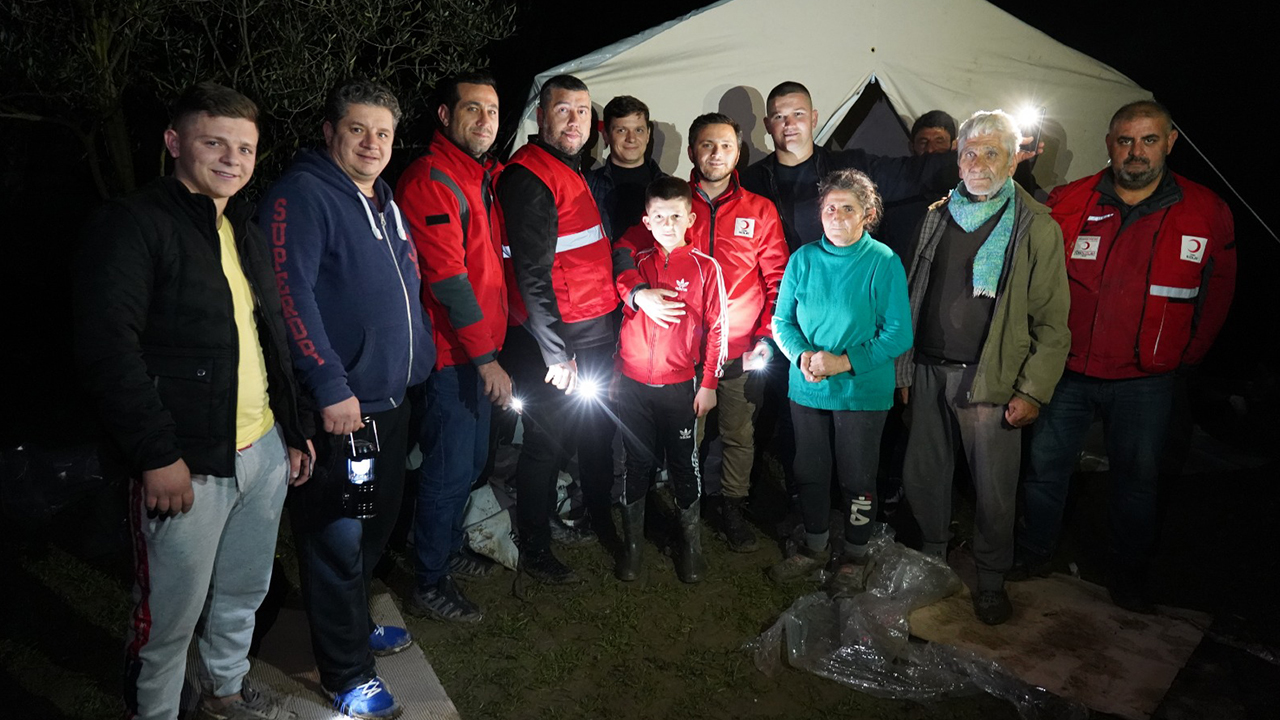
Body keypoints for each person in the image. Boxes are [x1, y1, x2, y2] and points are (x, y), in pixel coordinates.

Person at [75, 81, 314, 720]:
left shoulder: (240, 225)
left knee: (242, 592)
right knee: (167, 617)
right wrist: (156, 455)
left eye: (245, 148)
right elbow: (108, 349)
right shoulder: (135, 224)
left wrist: (288, 430)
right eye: (215, 143)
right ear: (175, 142)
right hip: (187, 462)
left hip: (258, 452)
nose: (233, 159)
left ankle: (223, 692)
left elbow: (267, 338)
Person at [1013, 100, 1236, 612]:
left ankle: (1128, 573)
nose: (1136, 152)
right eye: (1125, 140)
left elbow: (1217, 290)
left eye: (1149, 140)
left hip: (1147, 379)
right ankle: (1034, 553)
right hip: (1068, 372)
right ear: (1109, 143)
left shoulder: (1205, 210)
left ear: (1171, 141)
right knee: (1046, 469)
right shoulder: (1071, 201)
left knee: (1137, 480)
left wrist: (1189, 356)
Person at [260, 78, 434, 719]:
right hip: (343, 410)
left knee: (373, 526)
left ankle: (353, 628)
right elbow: (289, 297)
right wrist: (331, 386)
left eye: (383, 132)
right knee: (335, 536)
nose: (372, 142)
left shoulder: (384, 200)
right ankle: (345, 673)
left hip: (391, 401)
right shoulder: (302, 196)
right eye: (358, 129)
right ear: (330, 132)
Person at [896, 110, 1070, 626]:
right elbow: (913, 294)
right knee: (925, 475)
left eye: (991, 152)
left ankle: (991, 579)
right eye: (969, 152)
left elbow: (1053, 324)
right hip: (929, 367)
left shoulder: (1035, 226)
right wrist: (904, 370)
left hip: (990, 379)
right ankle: (932, 561)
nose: (977, 163)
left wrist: (1033, 391)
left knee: (995, 488)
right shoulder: (938, 213)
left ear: (1015, 159)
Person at [617, 113, 789, 554]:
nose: (716, 154)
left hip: (737, 350)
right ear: (693, 151)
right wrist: (636, 292)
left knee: (737, 433)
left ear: (739, 153)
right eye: (707, 145)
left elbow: (778, 277)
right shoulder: (670, 204)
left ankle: (732, 505)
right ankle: (680, 509)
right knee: (683, 441)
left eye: (726, 146)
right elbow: (623, 250)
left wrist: (766, 336)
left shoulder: (760, 210)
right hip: (675, 356)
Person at [497, 74, 626, 583]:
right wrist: (555, 354)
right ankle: (536, 548)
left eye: (582, 111)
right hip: (560, 343)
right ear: (540, 117)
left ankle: (571, 517)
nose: (575, 121)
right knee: (546, 446)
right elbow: (530, 273)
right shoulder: (531, 177)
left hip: (588, 332)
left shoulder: (568, 169)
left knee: (576, 436)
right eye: (563, 110)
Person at [395, 72, 510, 624]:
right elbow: (447, 279)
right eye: (472, 110)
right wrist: (485, 358)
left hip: (477, 352)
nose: (486, 121)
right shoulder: (431, 179)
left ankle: (439, 548)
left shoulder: (477, 174)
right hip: (454, 357)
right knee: (448, 470)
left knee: (466, 467)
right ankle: (429, 579)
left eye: (491, 110)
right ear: (444, 116)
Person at [768, 169, 912, 588]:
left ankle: (855, 552)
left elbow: (898, 332)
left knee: (857, 476)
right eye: (829, 208)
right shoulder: (804, 258)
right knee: (809, 468)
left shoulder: (882, 262)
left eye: (847, 209)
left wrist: (843, 362)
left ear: (867, 214)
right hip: (808, 385)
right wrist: (803, 355)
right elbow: (781, 321)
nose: (835, 216)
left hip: (860, 390)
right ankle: (814, 545)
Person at [612, 176, 728, 583]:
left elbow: (717, 328)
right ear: (646, 219)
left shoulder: (705, 268)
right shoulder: (635, 263)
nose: (667, 223)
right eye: (658, 216)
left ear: (690, 218)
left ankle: (691, 548)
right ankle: (632, 548)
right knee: (636, 463)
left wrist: (709, 383)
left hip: (681, 386)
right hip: (633, 385)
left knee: (684, 463)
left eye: (675, 215)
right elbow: (615, 304)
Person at [740, 81, 957, 254]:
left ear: (814, 118)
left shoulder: (849, 168)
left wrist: (969, 161)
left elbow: (911, 173)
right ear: (768, 125)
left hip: (843, 289)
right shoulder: (749, 182)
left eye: (798, 114)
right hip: (781, 295)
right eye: (780, 117)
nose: (789, 125)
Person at [586, 95, 668, 240]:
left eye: (638, 130)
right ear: (606, 136)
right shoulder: (586, 186)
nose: (631, 138)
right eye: (621, 130)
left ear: (648, 135)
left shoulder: (670, 188)